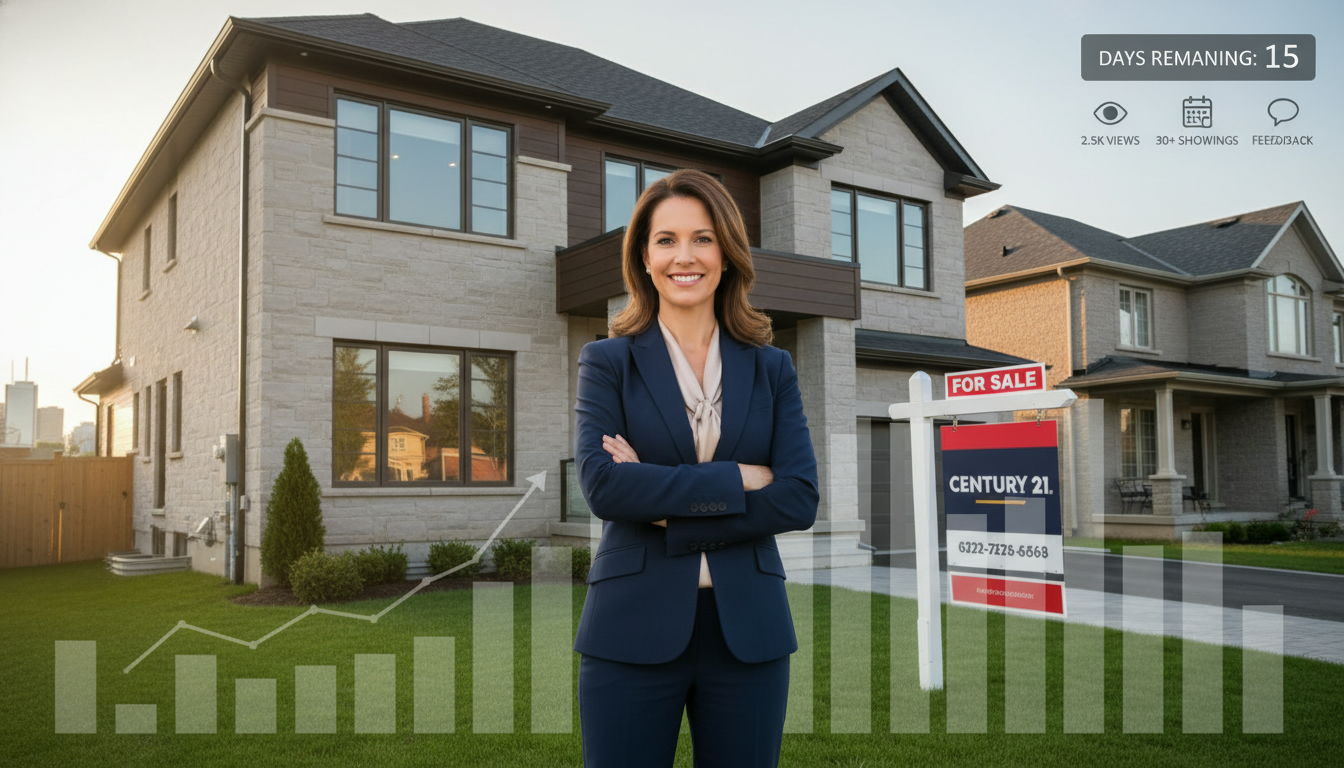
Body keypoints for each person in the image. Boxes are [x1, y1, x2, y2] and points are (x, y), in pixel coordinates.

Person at [572, 168, 819, 767]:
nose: (686, 256)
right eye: (667, 240)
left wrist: (665, 510)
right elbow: (604, 486)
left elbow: (798, 498)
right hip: (630, 628)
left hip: (749, 634)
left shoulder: (772, 368)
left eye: (703, 238)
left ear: (727, 253)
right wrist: (738, 477)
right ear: (644, 257)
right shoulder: (607, 362)